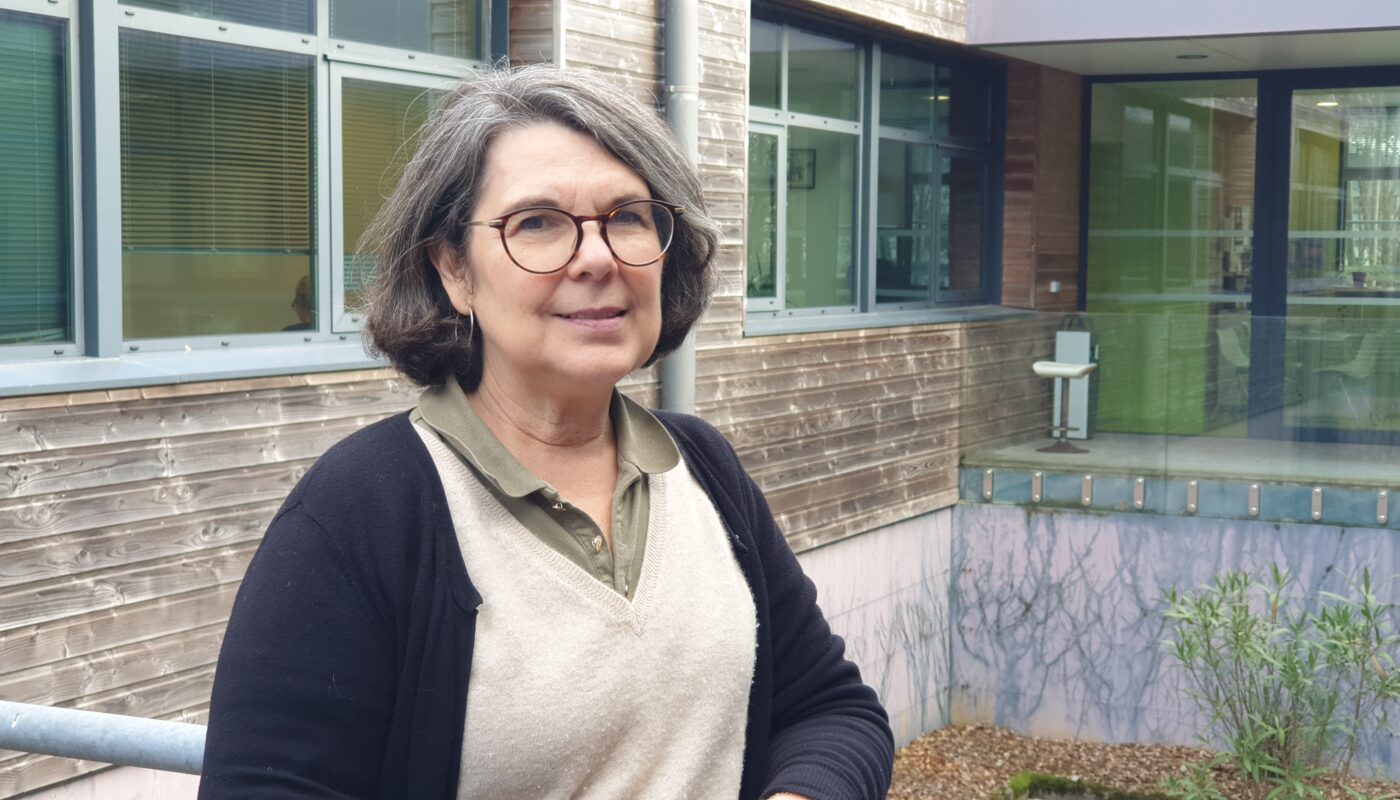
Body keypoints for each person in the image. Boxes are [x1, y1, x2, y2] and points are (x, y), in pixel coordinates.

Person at [199, 64, 893, 800]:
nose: (596, 257)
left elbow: (832, 709)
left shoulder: (705, 472)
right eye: (537, 222)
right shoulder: (360, 515)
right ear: (452, 271)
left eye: (627, 215)